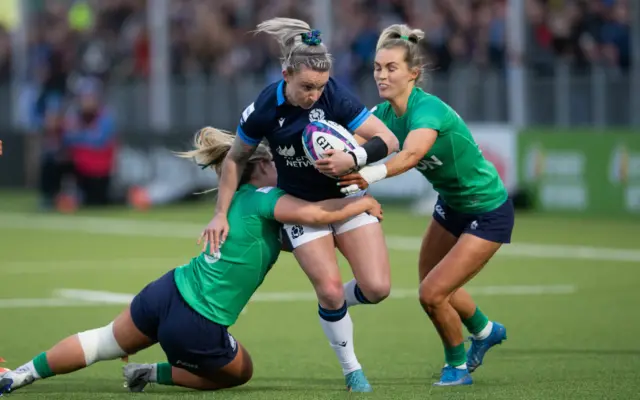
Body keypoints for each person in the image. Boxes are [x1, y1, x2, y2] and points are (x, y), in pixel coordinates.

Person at [0, 127, 383, 395]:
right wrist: (361, 202)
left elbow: (269, 243)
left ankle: (19, 376)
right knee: (240, 372)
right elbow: (315, 215)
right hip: (199, 322)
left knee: (101, 341)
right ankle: (154, 373)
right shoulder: (264, 198)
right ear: (264, 166)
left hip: (166, 291)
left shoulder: (233, 204)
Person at [200, 17, 399, 392]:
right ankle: (352, 369)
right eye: (306, 87)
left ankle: (333, 310)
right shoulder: (263, 108)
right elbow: (234, 160)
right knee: (328, 287)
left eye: (319, 87)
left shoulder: (334, 95)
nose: (313, 95)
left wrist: (354, 158)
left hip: (346, 196)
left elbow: (388, 140)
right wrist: (220, 213)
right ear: (285, 73)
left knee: (377, 288)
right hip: (301, 207)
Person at [338, 25, 513, 387]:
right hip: (452, 205)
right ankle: (484, 331)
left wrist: (366, 175)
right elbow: (346, 143)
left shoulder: (427, 110)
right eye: (377, 67)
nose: (381, 75)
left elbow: (411, 154)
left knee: (432, 293)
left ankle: (458, 367)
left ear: (413, 74)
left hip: (488, 210)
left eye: (391, 68)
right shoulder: (383, 114)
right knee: (432, 282)